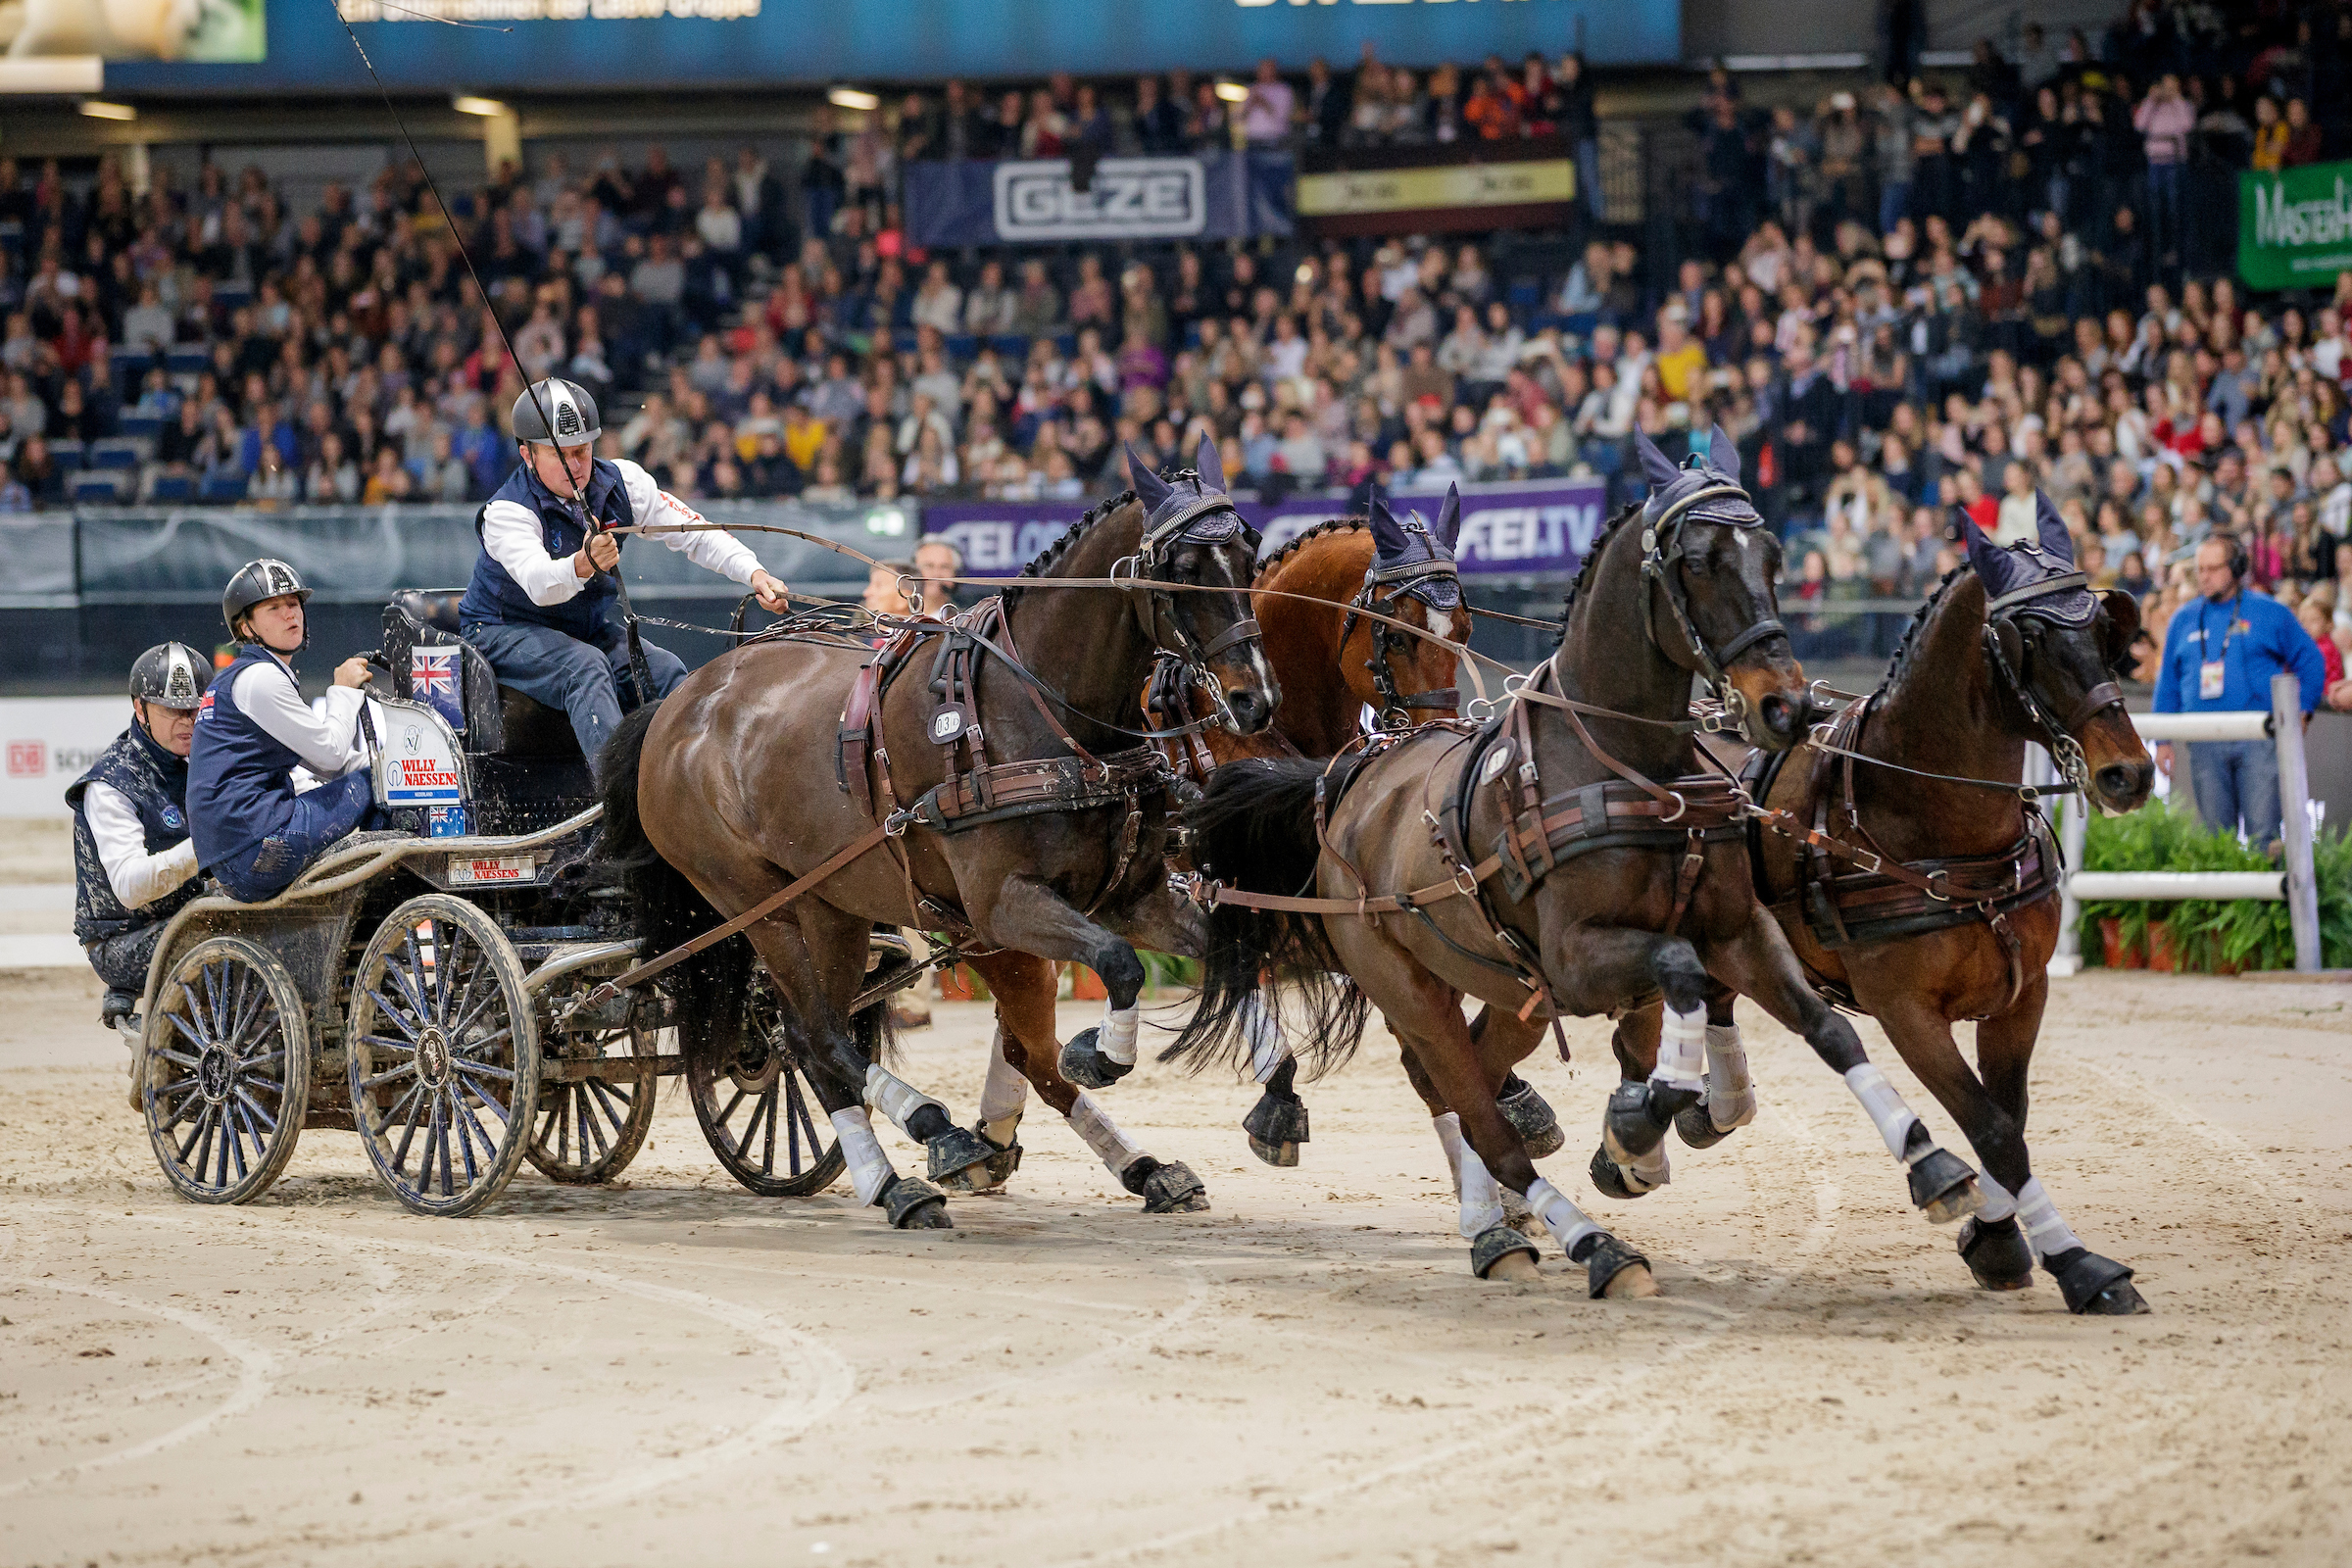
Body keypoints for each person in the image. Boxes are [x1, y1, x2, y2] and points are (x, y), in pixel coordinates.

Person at [458, 378, 790, 771]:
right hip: (500, 630)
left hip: (578, 628)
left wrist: (752, 571)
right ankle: (619, 807)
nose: (577, 465)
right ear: (527, 455)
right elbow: (539, 584)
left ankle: (691, 784)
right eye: (561, 455)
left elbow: (692, 532)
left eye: (582, 451)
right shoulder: (507, 512)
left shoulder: (624, 481)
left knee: (665, 669)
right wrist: (585, 563)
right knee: (585, 668)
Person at [189, 560, 385, 904]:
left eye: (294, 604)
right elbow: (331, 753)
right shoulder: (260, 679)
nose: (290, 614)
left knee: (379, 778)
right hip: (256, 847)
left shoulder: (247, 676)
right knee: (377, 786)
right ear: (247, 627)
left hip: (237, 853)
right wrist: (343, 690)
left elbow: (324, 764)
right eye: (274, 607)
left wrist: (386, 766)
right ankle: (381, 903)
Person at [2150, 533, 2327, 848]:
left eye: (2213, 568)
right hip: (2203, 741)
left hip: (2258, 738)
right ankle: (2225, 898)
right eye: (2200, 569)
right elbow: (2168, 683)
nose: (2205, 577)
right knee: (2217, 839)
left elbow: (2310, 660)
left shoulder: (2270, 612)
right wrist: (2162, 741)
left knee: (2264, 833)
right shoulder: (2183, 619)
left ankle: (2264, 896)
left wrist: (2305, 708)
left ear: (2236, 568)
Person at [68, 643, 211, 1007]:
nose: (188, 721)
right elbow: (130, 887)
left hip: (190, 916)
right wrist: (208, 844)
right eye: (173, 711)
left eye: (196, 710)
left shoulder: (200, 758)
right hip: (124, 941)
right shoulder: (110, 785)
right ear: (140, 708)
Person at [911, 535, 962, 618]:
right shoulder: (893, 619)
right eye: (929, 566)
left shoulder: (966, 623)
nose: (936, 574)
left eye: (945, 567)